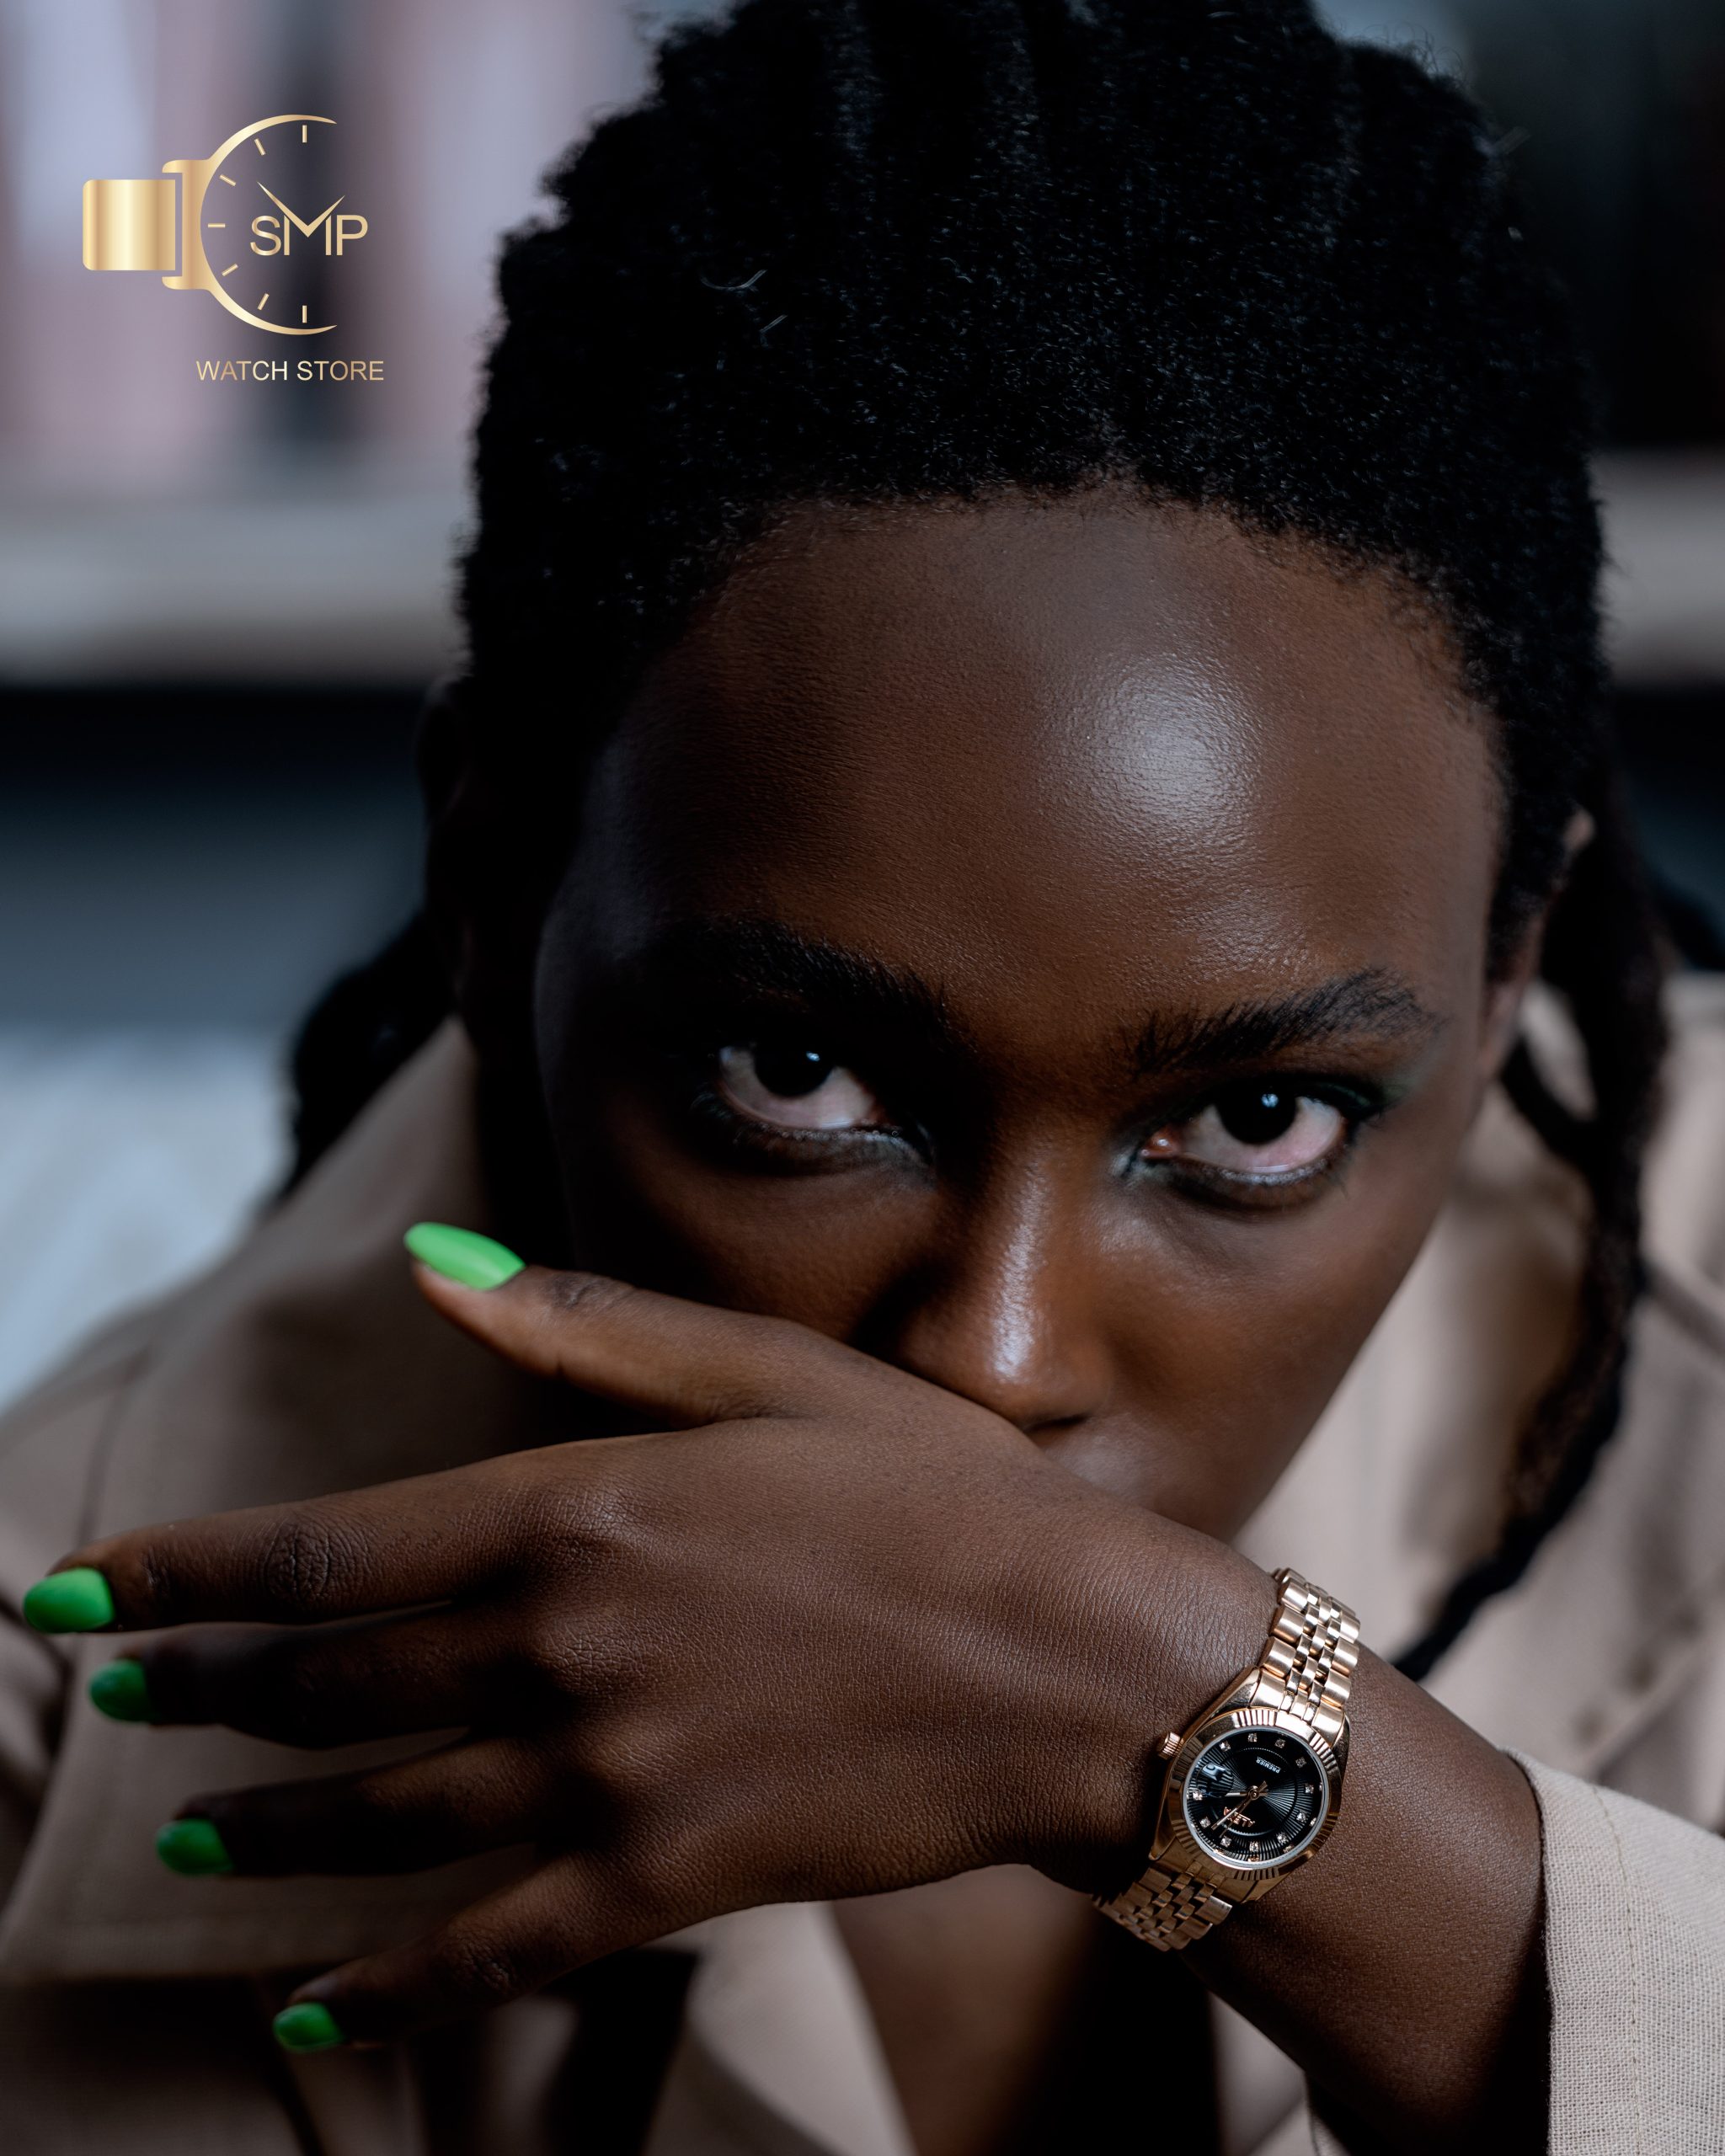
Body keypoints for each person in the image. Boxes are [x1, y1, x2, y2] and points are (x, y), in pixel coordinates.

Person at [3, 3, 1723, 2150]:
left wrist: (1181, 1737)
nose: (993, 1358)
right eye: (798, 1072)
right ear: (491, 889)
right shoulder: (54, 1691)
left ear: (1512, 959)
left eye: (1255, 1119)